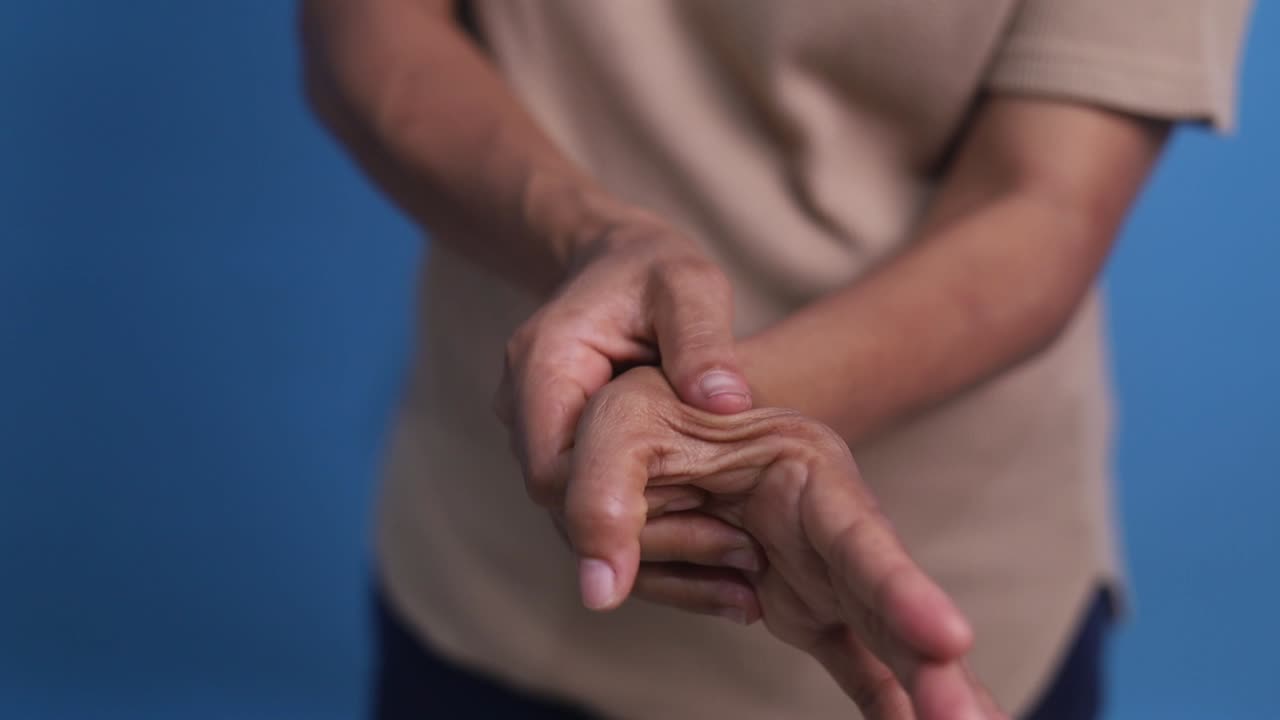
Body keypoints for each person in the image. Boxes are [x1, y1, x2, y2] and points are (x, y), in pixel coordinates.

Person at [299, 0, 1252, 718]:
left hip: (935, 584)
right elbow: (370, 31)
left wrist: (689, 426)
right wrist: (597, 242)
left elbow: (1044, 204)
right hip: (495, 575)